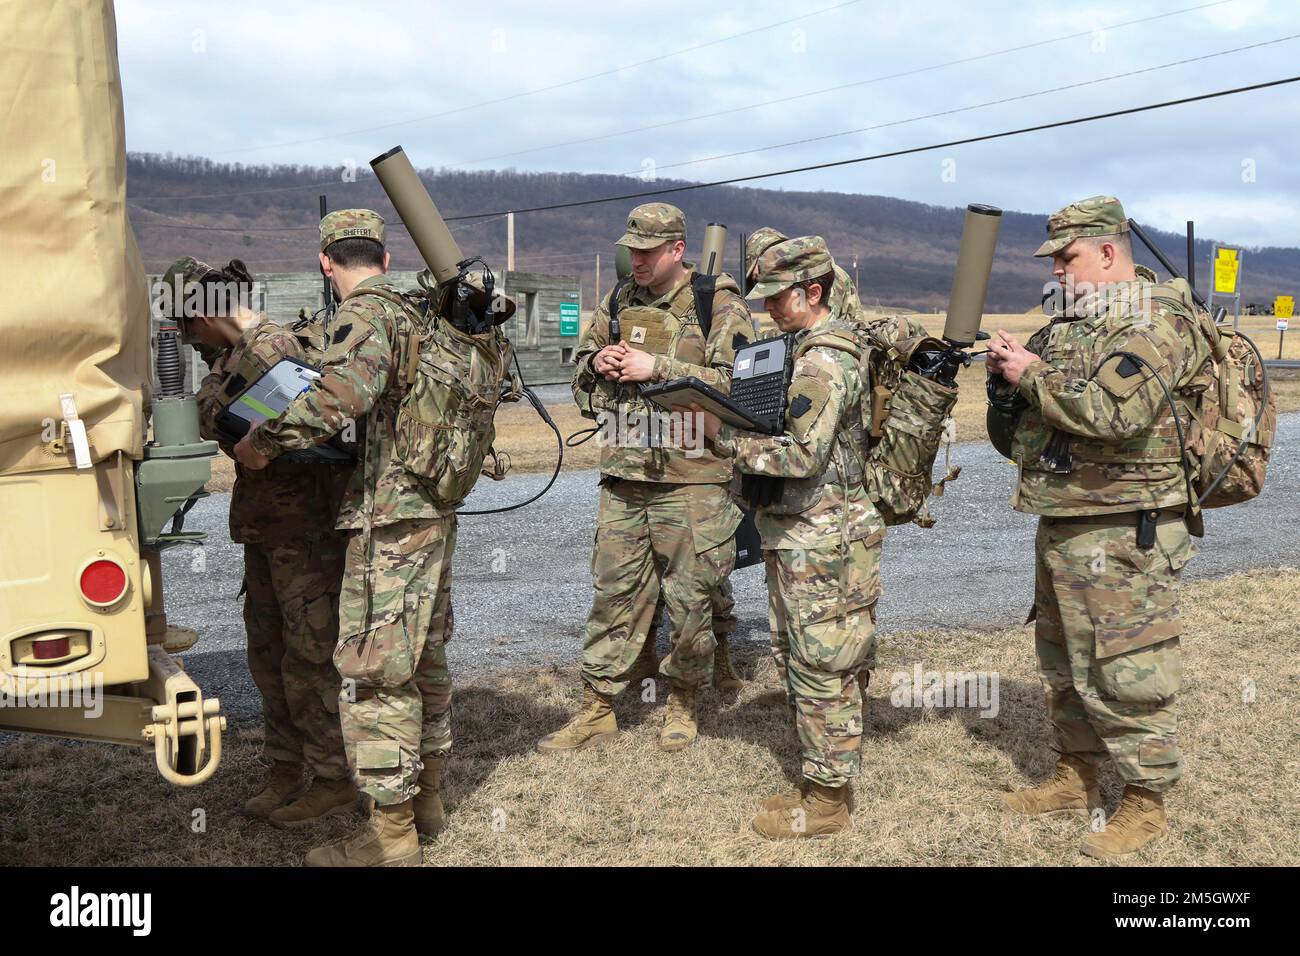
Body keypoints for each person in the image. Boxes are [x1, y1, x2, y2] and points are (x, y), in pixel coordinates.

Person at [987, 195, 1210, 859]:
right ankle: (1075, 776)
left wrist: (1033, 374)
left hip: (1128, 528)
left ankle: (1145, 799)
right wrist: (1010, 385)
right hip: (1067, 518)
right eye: (1053, 259)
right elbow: (1027, 437)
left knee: (1126, 667)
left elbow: (1114, 416)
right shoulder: (1073, 327)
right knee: (1064, 663)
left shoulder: (1160, 319)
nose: (1056, 271)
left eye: (1067, 257)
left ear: (1109, 253)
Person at [235, 209, 458, 867]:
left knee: (371, 675)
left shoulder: (366, 315)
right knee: (426, 658)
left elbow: (340, 397)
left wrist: (263, 440)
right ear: (385, 258)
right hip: (438, 504)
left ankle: (389, 840)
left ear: (328, 264)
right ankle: (430, 798)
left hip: (387, 516)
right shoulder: (433, 313)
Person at [537, 202, 753, 753]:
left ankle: (682, 700)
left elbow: (740, 389)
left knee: (690, 601)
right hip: (624, 475)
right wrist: (599, 365)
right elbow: (582, 372)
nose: (635, 259)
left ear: (677, 250)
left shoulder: (717, 303)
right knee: (613, 594)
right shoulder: (618, 299)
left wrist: (659, 368)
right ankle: (598, 707)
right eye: (631, 249)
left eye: (647, 251)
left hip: (694, 479)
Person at [693, 236, 884, 839]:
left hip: (826, 539)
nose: (770, 307)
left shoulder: (826, 360)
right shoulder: (802, 350)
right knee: (801, 655)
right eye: (765, 296)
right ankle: (819, 777)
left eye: (779, 297)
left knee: (824, 662)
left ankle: (829, 799)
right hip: (802, 534)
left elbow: (802, 455)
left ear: (815, 292)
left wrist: (719, 439)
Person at [164, 255, 354, 826]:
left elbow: (301, 436)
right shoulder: (231, 357)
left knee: (309, 661)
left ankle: (331, 778)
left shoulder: (277, 350)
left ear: (206, 311)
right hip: (267, 530)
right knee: (269, 657)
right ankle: (284, 770)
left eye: (185, 323)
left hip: (306, 534)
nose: (183, 336)